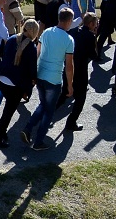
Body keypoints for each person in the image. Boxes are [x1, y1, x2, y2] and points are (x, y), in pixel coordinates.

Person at [21, 8, 77, 151]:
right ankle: (38, 140)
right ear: (69, 21)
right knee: (49, 111)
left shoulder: (46, 32)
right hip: (54, 78)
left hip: (41, 74)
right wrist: (70, 85)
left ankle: (28, 128)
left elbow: (37, 52)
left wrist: (34, 73)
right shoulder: (69, 40)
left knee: (43, 104)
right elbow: (69, 66)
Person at [0, 20, 41, 148]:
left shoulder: (11, 38)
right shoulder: (31, 47)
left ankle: (2, 134)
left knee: (6, 110)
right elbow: (32, 69)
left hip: (2, 78)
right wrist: (32, 82)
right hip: (15, 84)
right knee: (7, 113)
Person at [61, 12, 98, 132]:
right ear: (91, 24)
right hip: (80, 71)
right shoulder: (90, 36)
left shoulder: (74, 31)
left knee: (63, 95)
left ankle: (45, 114)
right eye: (95, 23)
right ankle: (71, 123)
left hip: (68, 67)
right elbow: (94, 55)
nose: (96, 26)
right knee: (80, 99)